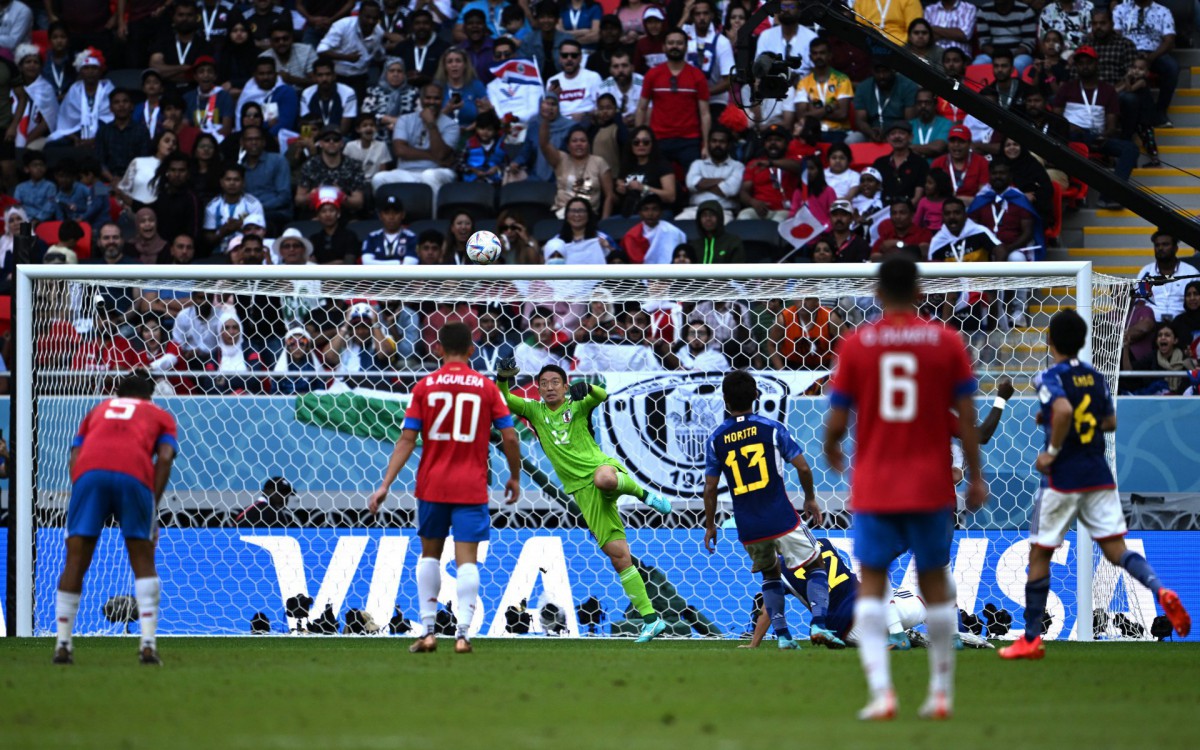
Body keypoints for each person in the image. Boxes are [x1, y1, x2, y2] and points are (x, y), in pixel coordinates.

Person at [824, 255, 987, 720]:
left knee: (872, 584)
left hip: (877, 482)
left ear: (878, 294)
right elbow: (967, 417)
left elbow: (837, 418)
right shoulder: (946, 342)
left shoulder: (858, 344)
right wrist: (975, 475)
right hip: (931, 484)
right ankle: (939, 693)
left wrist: (833, 446)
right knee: (935, 582)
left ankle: (882, 694)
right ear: (919, 292)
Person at [1000, 311, 1190, 660]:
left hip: (1062, 479)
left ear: (1050, 341)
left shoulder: (1049, 376)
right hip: (1098, 475)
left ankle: (1029, 639)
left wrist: (1052, 451)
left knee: (1040, 553)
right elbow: (1111, 422)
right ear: (1084, 341)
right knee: (1117, 550)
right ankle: (1160, 590)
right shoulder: (1097, 377)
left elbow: (1064, 410)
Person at [495, 356, 671, 642]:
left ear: (565, 386)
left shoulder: (577, 404)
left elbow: (602, 395)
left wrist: (586, 387)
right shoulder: (534, 411)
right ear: (538, 389)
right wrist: (503, 377)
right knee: (619, 557)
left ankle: (645, 494)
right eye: (543, 384)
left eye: (555, 383)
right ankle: (651, 620)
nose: (549, 388)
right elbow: (501, 398)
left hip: (601, 469)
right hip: (581, 491)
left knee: (605, 480)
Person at [370, 323, 522, 653]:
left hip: (432, 485)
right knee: (466, 561)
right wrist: (514, 476)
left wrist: (385, 485)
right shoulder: (486, 388)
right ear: (471, 350)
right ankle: (463, 635)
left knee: (430, 556)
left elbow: (407, 439)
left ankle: (427, 632)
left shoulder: (425, 387)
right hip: (470, 485)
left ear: (438, 349)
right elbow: (510, 437)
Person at [702, 371, 836, 648]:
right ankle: (819, 624)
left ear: (725, 400)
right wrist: (810, 498)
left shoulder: (716, 439)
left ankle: (784, 637)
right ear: (756, 396)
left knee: (770, 575)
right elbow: (802, 467)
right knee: (815, 564)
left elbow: (710, 488)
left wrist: (710, 524)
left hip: (749, 526)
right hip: (781, 518)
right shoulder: (772, 429)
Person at [53, 370, 178, 666]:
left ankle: (63, 646)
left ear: (118, 395)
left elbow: (75, 452)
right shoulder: (159, 414)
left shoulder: (97, 410)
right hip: (133, 475)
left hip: (89, 475)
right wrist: (151, 504)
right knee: (142, 559)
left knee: (75, 560)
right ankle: (147, 645)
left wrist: (82, 488)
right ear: (149, 396)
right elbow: (165, 455)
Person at [1053, 45, 1138, 209]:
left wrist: (1104, 136)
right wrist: (1070, 127)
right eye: (1081, 63)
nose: (1085, 66)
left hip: (1095, 138)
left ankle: (1110, 196)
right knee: (1075, 136)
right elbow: (1055, 119)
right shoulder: (1067, 88)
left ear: (1096, 64)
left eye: (1089, 62)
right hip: (1070, 136)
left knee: (1130, 149)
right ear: (1076, 66)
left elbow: (1112, 125)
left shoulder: (1108, 91)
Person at [636, 27, 711, 168]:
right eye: (671, 43)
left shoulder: (697, 76)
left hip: (690, 140)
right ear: (664, 47)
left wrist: (705, 145)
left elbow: (705, 114)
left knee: (693, 185)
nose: (675, 46)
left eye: (679, 43)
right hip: (659, 139)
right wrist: (639, 137)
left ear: (686, 47)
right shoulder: (652, 74)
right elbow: (641, 108)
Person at [370, 83, 459, 193]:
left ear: (442, 100)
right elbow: (400, 150)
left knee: (429, 175)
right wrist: (433, 156)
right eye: (428, 98)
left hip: (438, 171)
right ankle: (388, 210)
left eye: (436, 98)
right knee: (379, 178)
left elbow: (440, 154)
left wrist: (431, 124)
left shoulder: (451, 125)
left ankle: (434, 211)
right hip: (405, 172)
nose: (432, 102)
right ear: (421, 99)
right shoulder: (405, 120)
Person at [361, 192, 418, 264]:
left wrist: (376, 263)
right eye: (387, 213)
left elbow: (409, 265)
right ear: (380, 216)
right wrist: (398, 262)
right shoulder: (372, 237)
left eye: (395, 213)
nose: (391, 217)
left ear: (403, 215)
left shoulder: (411, 237)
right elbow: (366, 262)